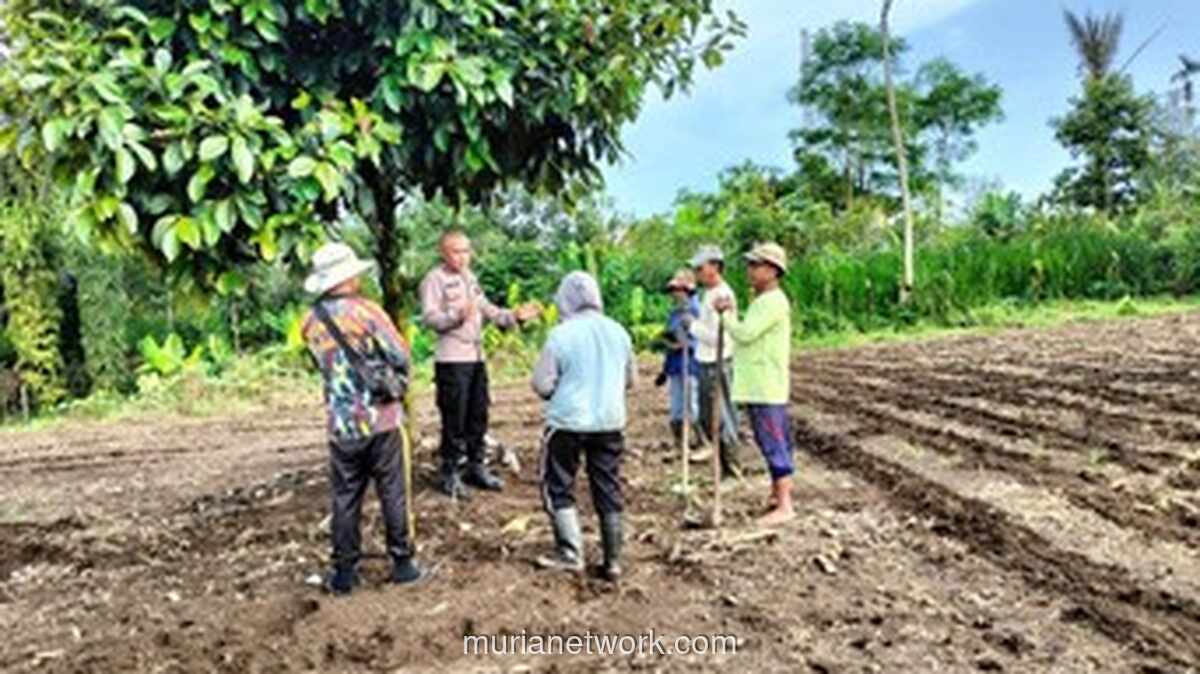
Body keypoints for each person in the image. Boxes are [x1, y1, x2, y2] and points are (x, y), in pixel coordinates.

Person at [300, 242, 425, 595]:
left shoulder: (309, 321)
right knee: (394, 493)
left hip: (340, 425)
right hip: (381, 419)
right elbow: (400, 353)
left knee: (344, 497)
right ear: (349, 277)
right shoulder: (367, 312)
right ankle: (403, 565)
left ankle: (344, 572)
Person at [419, 231, 541, 499]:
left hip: (476, 357)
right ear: (443, 253)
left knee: (478, 414)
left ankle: (476, 466)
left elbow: (489, 310)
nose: (463, 257)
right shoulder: (434, 280)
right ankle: (449, 472)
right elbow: (430, 318)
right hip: (452, 360)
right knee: (454, 418)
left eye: (466, 251)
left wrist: (515, 317)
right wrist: (455, 316)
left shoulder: (469, 278)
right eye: (456, 252)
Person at [531, 272, 636, 581]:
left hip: (567, 422)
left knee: (559, 483)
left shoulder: (561, 335)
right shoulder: (619, 332)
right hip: (610, 421)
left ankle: (570, 553)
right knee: (607, 484)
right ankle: (613, 559)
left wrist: (560, 390)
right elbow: (631, 380)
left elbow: (541, 384)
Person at [714, 243, 795, 527]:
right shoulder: (763, 301)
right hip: (761, 384)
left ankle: (785, 505)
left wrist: (727, 315)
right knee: (768, 439)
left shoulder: (773, 301)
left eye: (756, 265)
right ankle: (776, 496)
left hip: (766, 386)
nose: (750, 270)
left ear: (772, 271)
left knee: (774, 441)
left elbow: (746, 334)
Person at [688, 245, 742, 480]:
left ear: (715, 267)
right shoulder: (708, 294)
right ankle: (722, 467)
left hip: (717, 361)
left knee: (723, 417)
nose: (697, 272)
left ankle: (732, 471)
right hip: (706, 361)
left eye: (701, 267)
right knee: (709, 417)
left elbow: (718, 336)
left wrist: (691, 326)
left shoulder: (722, 295)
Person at [654, 269, 702, 450]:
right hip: (675, 365)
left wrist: (685, 344)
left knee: (692, 405)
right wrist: (664, 370)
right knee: (676, 407)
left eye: (678, 290)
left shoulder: (696, 311)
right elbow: (670, 340)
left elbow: (702, 339)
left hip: (691, 364)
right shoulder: (675, 313)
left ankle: (699, 442)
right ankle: (680, 445)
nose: (675, 294)